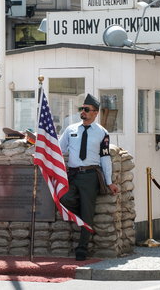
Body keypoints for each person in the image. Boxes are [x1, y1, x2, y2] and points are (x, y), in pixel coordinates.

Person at [59, 93, 118, 261]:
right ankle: (83, 217)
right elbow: (59, 150)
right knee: (64, 199)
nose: (82, 112)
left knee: (89, 211)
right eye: (81, 109)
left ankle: (82, 248)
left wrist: (110, 182)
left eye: (86, 109)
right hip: (73, 174)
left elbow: (105, 158)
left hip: (91, 176)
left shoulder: (102, 133)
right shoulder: (71, 129)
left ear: (95, 113)